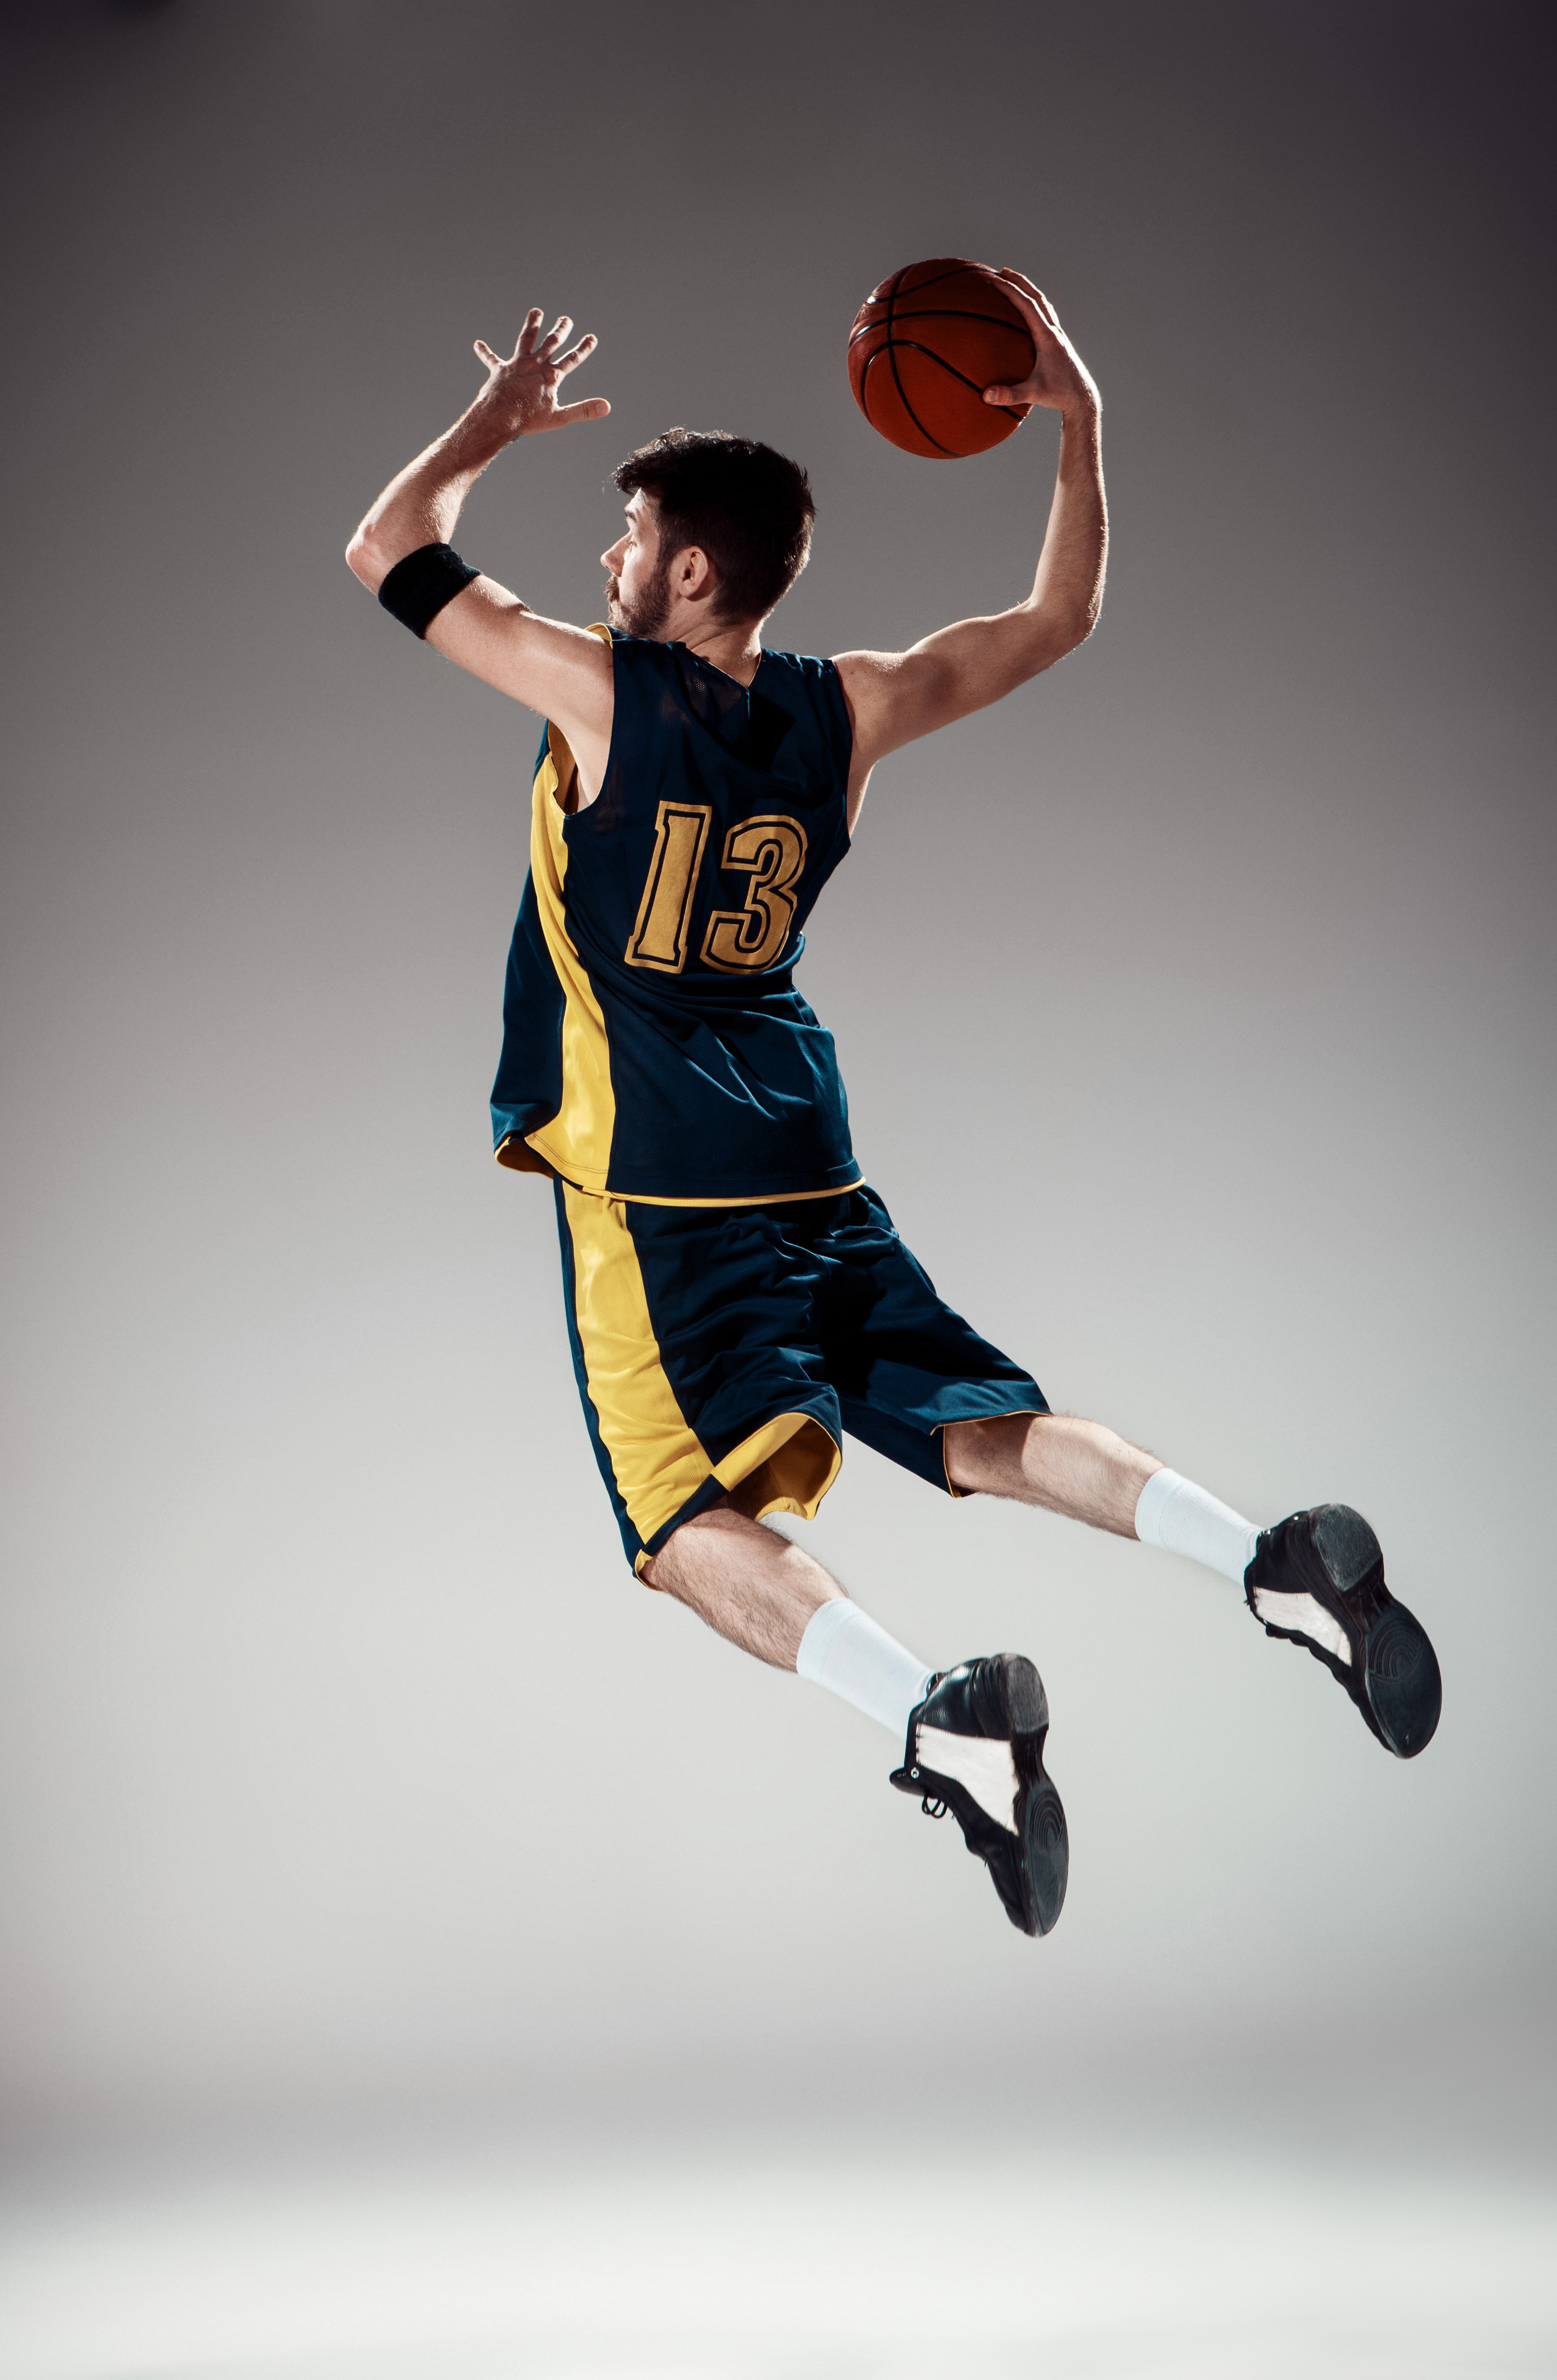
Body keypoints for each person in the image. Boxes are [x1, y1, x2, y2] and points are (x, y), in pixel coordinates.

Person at [345, 275, 1441, 1939]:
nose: (608, 561)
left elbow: (386, 549)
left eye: (627, 534)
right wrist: (1082, 427)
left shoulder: (598, 697)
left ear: (689, 569)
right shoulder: (846, 710)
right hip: (807, 1152)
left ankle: (938, 1714)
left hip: (655, 1188)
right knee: (975, 1419)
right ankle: (1268, 1560)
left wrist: (487, 428)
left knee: (675, 1522)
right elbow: (1051, 620)